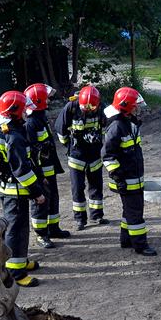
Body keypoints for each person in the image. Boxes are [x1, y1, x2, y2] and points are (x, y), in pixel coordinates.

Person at [0, 91, 46, 287]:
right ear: (15, 111)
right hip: (15, 192)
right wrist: (37, 192)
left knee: (19, 229)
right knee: (16, 230)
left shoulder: (6, 128)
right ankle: (15, 272)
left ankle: (20, 260)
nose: (26, 113)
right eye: (24, 109)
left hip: (11, 189)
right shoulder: (14, 136)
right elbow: (22, 170)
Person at [102, 87, 157, 256]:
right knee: (135, 213)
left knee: (129, 211)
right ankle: (140, 244)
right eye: (135, 106)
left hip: (133, 178)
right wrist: (118, 178)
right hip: (126, 180)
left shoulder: (128, 124)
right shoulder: (116, 127)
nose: (137, 108)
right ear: (126, 107)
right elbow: (107, 156)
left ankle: (126, 239)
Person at [55, 85, 107, 230]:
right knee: (77, 188)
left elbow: (106, 128)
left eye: (92, 108)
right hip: (76, 156)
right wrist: (69, 146)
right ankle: (80, 219)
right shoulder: (71, 107)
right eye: (85, 108)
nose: (89, 110)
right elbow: (60, 128)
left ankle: (97, 215)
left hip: (95, 154)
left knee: (96, 186)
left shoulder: (102, 108)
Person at [24, 83, 69, 248]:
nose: (49, 101)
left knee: (53, 198)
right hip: (40, 172)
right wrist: (39, 176)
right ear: (39, 100)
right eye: (47, 98)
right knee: (40, 203)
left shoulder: (40, 117)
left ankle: (53, 228)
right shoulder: (31, 123)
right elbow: (31, 154)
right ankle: (41, 235)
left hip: (49, 169)